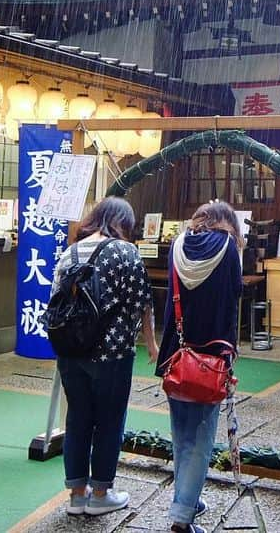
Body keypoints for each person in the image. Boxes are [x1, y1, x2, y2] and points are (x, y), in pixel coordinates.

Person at [50, 196, 158, 517]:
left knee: (78, 417)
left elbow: (56, 301)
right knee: (109, 421)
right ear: (122, 223)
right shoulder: (127, 252)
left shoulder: (70, 252)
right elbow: (142, 302)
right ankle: (100, 494)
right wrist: (151, 343)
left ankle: (76, 496)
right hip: (113, 353)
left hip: (71, 351)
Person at [155, 201, 243, 533]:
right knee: (202, 437)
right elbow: (234, 296)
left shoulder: (177, 244)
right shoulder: (229, 248)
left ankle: (187, 497)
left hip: (175, 355)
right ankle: (181, 517)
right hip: (211, 356)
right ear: (228, 223)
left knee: (182, 434)